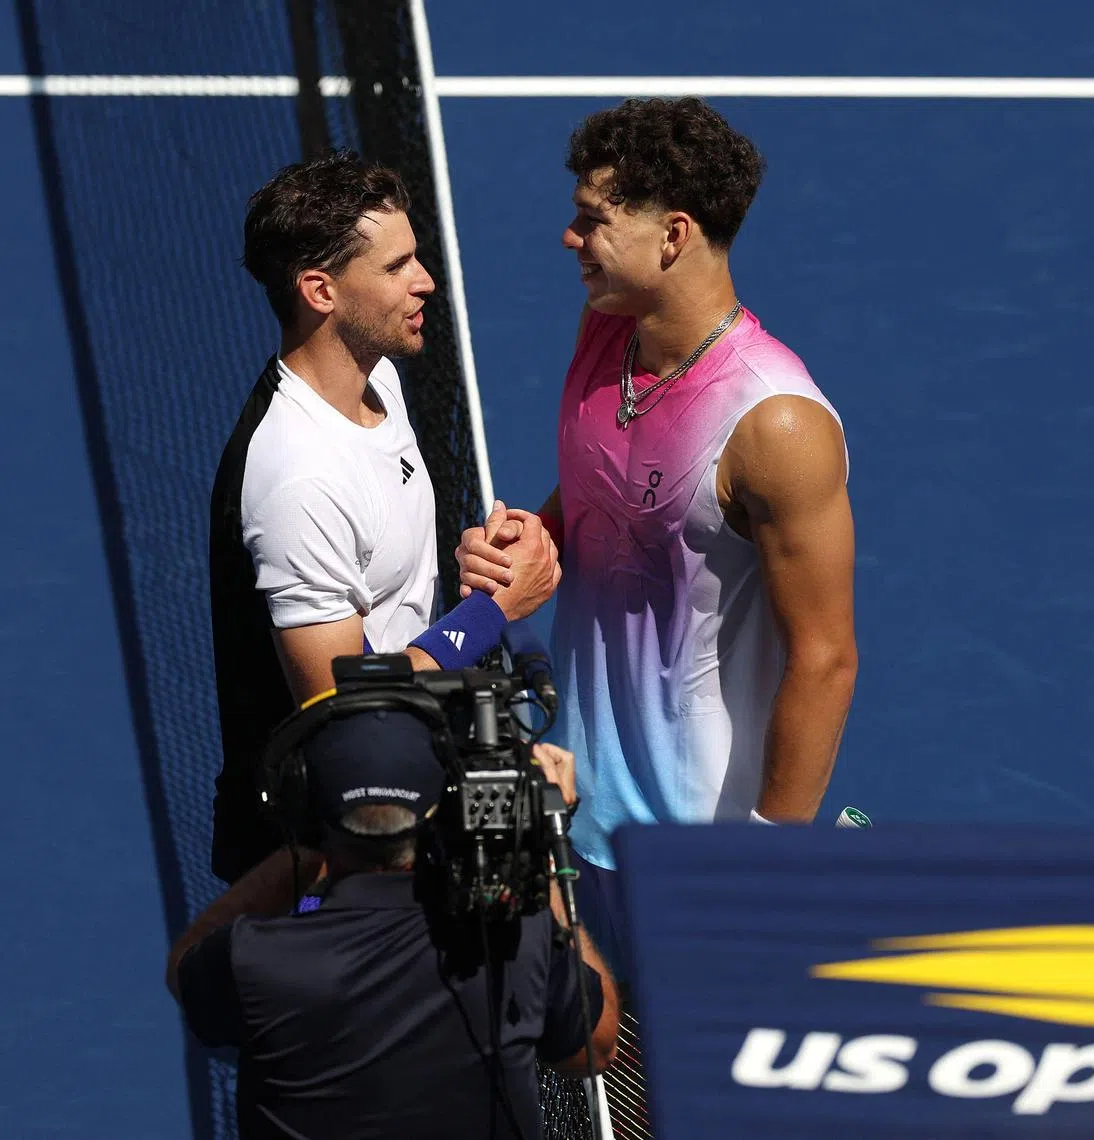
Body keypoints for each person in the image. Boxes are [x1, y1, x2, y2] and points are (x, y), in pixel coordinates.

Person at [457, 98, 858, 976]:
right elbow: (604, 489)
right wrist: (531, 538)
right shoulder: (608, 331)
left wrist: (764, 858)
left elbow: (826, 656)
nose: (571, 238)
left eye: (592, 220)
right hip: (576, 800)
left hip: (698, 848)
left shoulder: (776, 425)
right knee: (590, 1071)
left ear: (672, 236)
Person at [210, 151, 560, 884]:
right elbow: (339, 705)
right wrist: (493, 613)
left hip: (408, 783)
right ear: (320, 290)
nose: (424, 279)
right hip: (328, 847)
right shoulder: (297, 478)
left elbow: (381, 581)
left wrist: (476, 561)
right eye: (398, 265)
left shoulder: (384, 384)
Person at [167, 708, 619, 1140]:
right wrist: (537, 849)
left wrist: (303, 857)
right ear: (441, 812)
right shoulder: (518, 938)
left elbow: (184, 972)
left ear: (303, 808)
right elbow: (596, 1049)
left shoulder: (250, 959)